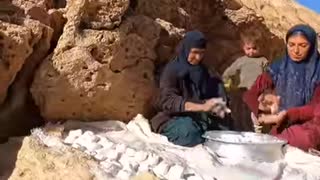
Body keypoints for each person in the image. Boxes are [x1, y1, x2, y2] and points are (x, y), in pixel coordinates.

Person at [243, 24, 320, 151]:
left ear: (312, 46)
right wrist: (261, 110)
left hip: (311, 126)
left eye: (303, 45)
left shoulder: (317, 71)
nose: (295, 51)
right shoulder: (279, 67)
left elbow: (316, 108)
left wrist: (290, 115)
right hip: (282, 122)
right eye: (291, 44)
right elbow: (251, 93)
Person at [150, 31, 232, 147]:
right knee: (190, 133)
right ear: (186, 49)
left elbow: (215, 93)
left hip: (199, 117)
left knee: (226, 132)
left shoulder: (205, 71)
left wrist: (219, 105)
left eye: (201, 53)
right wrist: (201, 107)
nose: (198, 57)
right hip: (173, 117)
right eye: (194, 52)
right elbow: (167, 100)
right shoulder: (172, 70)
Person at [223, 35, 268, 131]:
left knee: (255, 112)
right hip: (241, 91)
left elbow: (269, 76)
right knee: (239, 111)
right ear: (243, 48)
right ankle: (239, 128)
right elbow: (229, 72)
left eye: (254, 48)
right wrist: (225, 81)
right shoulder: (241, 61)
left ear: (260, 47)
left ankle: (257, 130)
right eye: (248, 48)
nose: (251, 51)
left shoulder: (263, 61)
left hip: (257, 92)